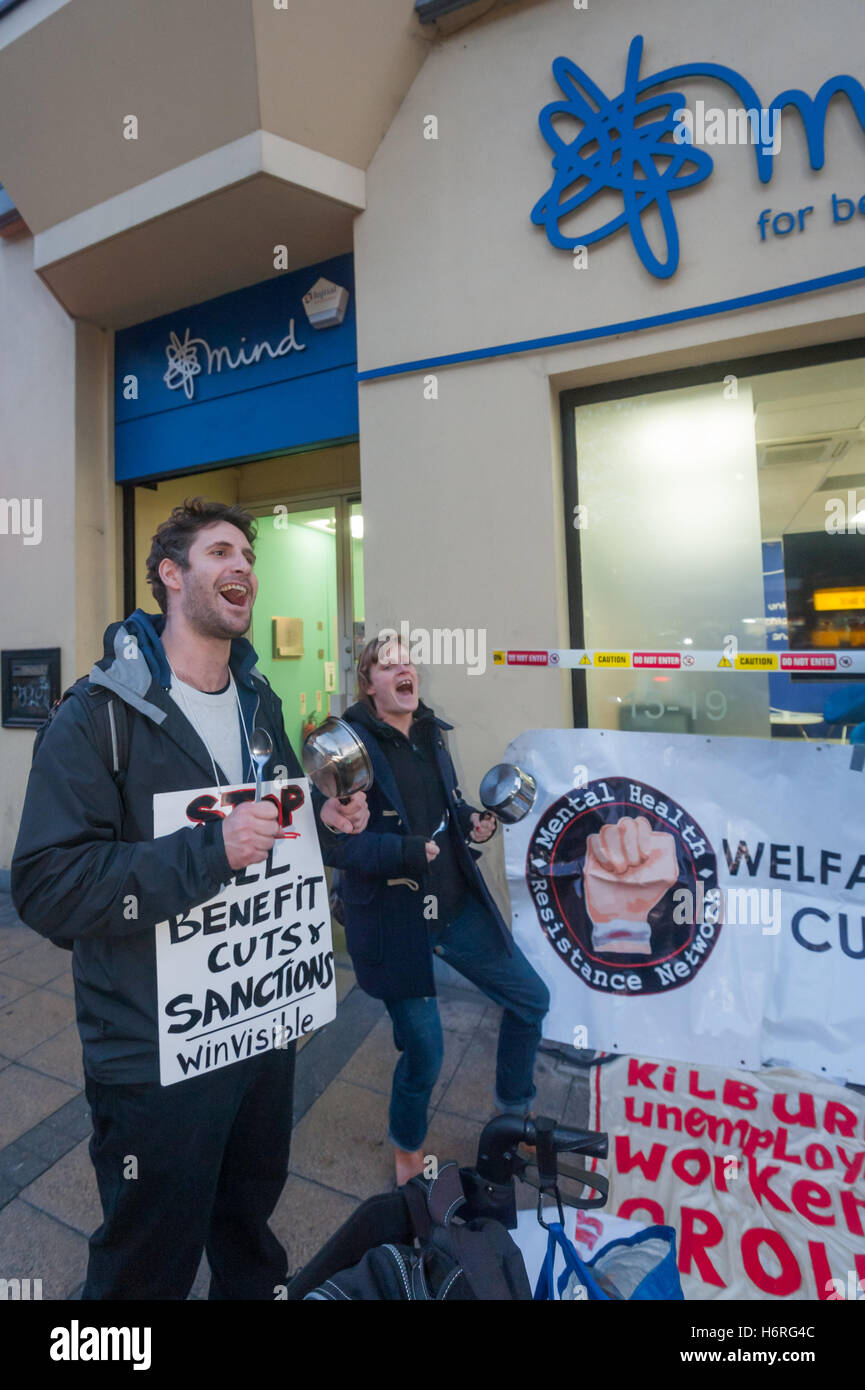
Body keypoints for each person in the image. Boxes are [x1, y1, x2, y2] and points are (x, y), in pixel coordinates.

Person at [11, 498, 368, 1300]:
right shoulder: (96, 715)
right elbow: (46, 885)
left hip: (258, 1027)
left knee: (248, 1229)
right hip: (154, 1053)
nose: (241, 565)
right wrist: (208, 851)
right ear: (172, 576)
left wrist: (327, 819)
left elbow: (268, 836)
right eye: (218, 552)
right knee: (145, 1262)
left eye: (247, 553)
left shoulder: (260, 704)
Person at [316, 635, 550, 1185]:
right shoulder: (347, 750)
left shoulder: (431, 733)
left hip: (453, 906)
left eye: (408, 661)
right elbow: (336, 844)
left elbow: (444, 805)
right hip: (394, 923)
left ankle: (512, 1110)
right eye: (388, 663)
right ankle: (406, 1148)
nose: (405, 669)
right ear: (368, 683)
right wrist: (401, 850)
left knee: (530, 999)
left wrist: (471, 821)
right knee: (424, 1049)